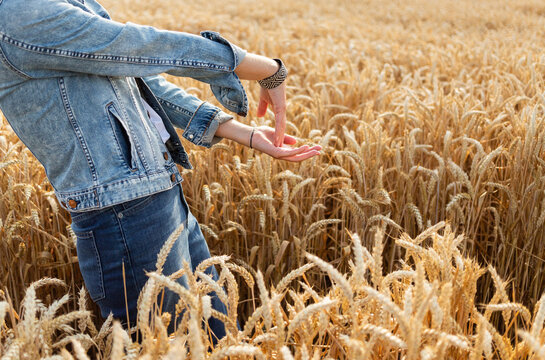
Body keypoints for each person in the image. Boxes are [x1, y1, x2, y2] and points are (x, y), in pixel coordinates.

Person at [0, 0, 321, 343]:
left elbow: (135, 78)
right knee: (166, 345)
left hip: (162, 190)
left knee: (219, 338)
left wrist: (246, 133)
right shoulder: (15, 12)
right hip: (122, 212)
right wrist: (264, 68)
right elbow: (135, 46)